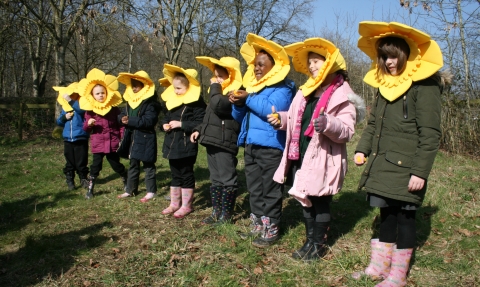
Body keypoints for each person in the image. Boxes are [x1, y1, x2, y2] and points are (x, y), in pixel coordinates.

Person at [351, 21, 445, 286]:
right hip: (383, 164)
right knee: (386, 215)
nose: (389, 62)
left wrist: (420, 171)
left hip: (407, 168)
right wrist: (362, 149)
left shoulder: (424, 86)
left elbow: (430, 134)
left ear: (406, 54)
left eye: (393, 56)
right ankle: (378, 268)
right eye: (384, 57)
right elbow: (373, 124)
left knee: (405, 218)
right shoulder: (385, 85)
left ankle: (398, 276)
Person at [270, 38, 365, 260]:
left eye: (316, 62)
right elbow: (297, 118)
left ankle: (318, 245)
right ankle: (309, 241)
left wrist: (329, 124)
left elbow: (348, 130)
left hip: (323, 157)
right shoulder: (307, 90)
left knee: (320, 202)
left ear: (330, 63)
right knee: (306, 199)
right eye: (309, 63)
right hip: (302, 154)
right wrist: (281, 119)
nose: (312, 66)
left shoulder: (343, 94)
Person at [230, 33, 295, 247]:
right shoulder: (253, 88)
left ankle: (272, 225)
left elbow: (271, 111)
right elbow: (238, 118)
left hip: (271, 148)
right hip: (251, 145)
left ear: (274, 67)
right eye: (255, 65)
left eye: (261, 64)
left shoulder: (283, 89)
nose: (257, 68)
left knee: (270, 189)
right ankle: (257, 223)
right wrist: (238, 104)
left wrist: (248, 98)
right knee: (254, 188)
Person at [191, 56, 243, 225]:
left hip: (225, 141)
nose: (216, 79)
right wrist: (199, 129)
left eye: (220, 76)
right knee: (215, 178)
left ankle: (226, 215)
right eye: (215, 75)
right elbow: (210, 115)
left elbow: (218, 105)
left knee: (227, 178)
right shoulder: (219, 92)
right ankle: (216, 212)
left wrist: (215, 86)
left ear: (232, 76)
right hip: (213, 140)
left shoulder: (234, 93)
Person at [160, 64, 206, 219]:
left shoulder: (196, 102)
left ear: (189, 87)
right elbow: (166, 117)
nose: (176, 91)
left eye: (179, 88)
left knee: (186, 174)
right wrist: (164, 125)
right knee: (175, 174)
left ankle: (187, 205)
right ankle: (174, 203)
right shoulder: (173, 101)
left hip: (186, 145)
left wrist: (182, 125)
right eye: (174, 88)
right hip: (172, 144)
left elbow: (201, 121)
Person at [78, 68, 127, 199]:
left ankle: (125, 179)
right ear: (92, 95)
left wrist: (121, 137)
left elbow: (120, 125)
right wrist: (89, 125)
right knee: (95, 167)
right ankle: (90, 188)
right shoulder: (90, 111)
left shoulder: (114, 109)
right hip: (98, 144)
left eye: (102, 93)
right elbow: (85, 128)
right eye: (97, 93)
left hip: (112, 143)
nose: (100, 95)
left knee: (116, 164)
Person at [116, 71, 162, 202]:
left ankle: (151, 191)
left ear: (144, 86)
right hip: (132, 138)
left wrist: (129, 120)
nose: (134, 88)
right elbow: (122, 114)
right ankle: (130, 190)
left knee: (148, 166)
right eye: (132, 85)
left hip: (146, 138)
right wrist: (122, 119)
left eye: (137, 85)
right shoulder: (130, 101)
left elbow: (149, 121)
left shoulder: (150, 104)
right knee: (133, 164)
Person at [54, 82, 90, 190]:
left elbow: (81, 110)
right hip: (68, 138)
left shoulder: (82, 104)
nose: (70, 97)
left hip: (80, 136)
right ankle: (70, 179)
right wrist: (64, 117)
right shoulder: (65, 108)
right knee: (70, 161)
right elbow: (59, 122)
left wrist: (71, 101)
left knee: (81, 160)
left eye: (73, 95)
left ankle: (83, 178)